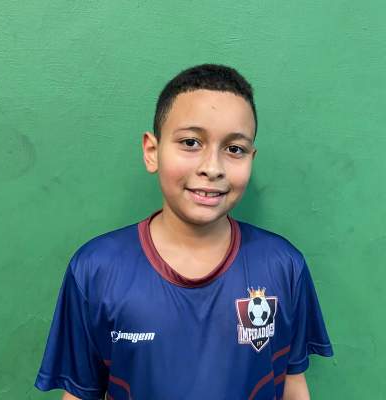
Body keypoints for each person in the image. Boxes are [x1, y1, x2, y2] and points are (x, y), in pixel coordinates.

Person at [34, 64, 333, 400]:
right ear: (152, 152)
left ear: (251, 157)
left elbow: (292, 384)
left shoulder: (283, 265)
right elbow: (80, 393)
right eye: (191, 142)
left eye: (235, 149)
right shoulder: (95, 269)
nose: (212, 168)